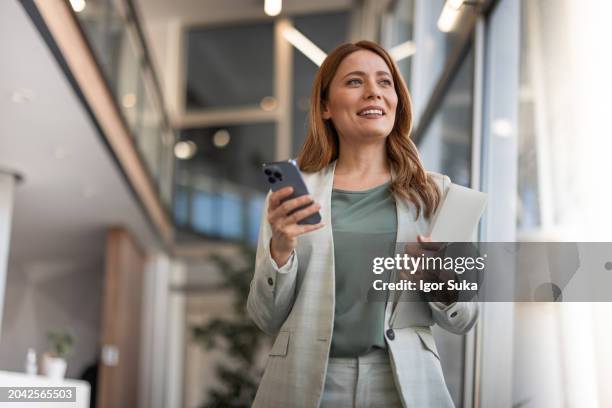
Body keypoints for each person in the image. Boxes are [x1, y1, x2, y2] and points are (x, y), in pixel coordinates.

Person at [247, 40, 478, 408]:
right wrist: (280, 250)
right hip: (308, 383)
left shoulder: (436, 194)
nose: (374, 91)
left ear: (397, 100)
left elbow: (464, 318)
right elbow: (265, 316)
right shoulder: (294, 193)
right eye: (355, 82)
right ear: (325, 106)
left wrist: (440, 280)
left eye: (385, 82)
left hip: (403, 383)